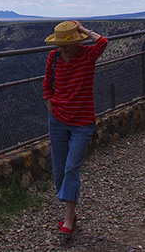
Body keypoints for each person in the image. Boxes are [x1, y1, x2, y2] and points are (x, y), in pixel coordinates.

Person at [42, 20, 107, 235]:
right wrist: (50, 104)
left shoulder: (87, 55)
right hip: (58, 119)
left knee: (72, 167)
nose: (62, 49)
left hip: (82, 122)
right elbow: (47, 84)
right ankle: (71, 209)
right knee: (59, 170)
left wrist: (83, 30)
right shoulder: (54, 58)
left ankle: (69, 218)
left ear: (77, 43)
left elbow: (103, 42)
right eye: (60, 45)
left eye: (66, 45)